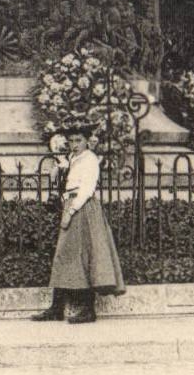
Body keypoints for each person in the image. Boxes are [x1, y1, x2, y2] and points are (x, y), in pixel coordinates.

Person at [33, 125, 125, 324]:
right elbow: (64, 181)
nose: (74, 145)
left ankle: (87, 310)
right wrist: (59, 169)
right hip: (70, 204)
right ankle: (57, 308)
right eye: (71, 141)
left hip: (82, 208)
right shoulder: (73, 159)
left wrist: (71, 211)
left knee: (83, 254)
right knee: (66, 255)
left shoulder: (90, 159)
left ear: (87, 141)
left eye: (78, 141)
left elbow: (87, 189)